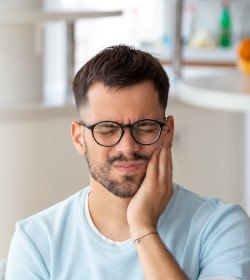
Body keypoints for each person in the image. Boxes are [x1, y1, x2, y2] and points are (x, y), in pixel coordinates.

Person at [6, 45, 250, 280]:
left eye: (144, 127)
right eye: (107, 129)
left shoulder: (221, 226)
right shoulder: (36, 241)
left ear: (168, 132)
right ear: (79, 138)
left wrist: (143, 228)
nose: (127, 147)